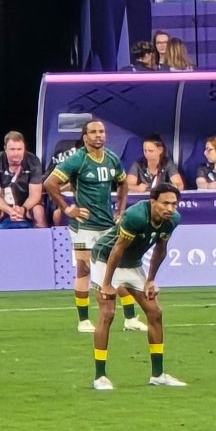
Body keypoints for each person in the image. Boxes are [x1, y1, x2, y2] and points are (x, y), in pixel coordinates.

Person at [89, 184, 187, 392]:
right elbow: (117, 249)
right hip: (106, 261)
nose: (170, 208)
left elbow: (161, 250)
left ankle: (158, 375)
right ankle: (100, 377)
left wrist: (151, 280)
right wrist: (107, 283)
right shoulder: (135, 216)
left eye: (174, 204)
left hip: (132, 264)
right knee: (107, 313)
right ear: (153, 202)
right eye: (165, 203)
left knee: (155, 312)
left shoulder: (172, 220)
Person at [44, 119, 130, 334]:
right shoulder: (77, 160)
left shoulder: (111, 158)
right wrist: (67, 208)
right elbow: (49, 183)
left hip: (107, 224)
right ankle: (83, 321)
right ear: (85, 137)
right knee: (84, 270)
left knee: (117, 269)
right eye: (93, 132)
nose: (99, 135)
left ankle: (130, 318)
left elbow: (123, 182)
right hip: (84, 226)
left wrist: (120, 211)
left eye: (102, 131)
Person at [0, 131, 46, 230]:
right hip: (2, 203)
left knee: (39, 211)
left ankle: (44, 243)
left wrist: (23, 209)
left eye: (19, 149)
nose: (16, 153)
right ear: (5, 149)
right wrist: (10, 211)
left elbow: (35, 195)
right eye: (12, 149)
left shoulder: (33, 161)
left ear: (24, 148)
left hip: (26, 202)